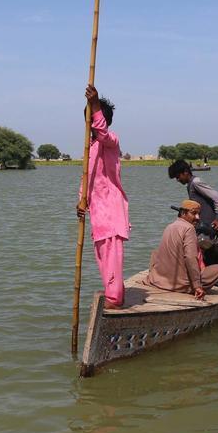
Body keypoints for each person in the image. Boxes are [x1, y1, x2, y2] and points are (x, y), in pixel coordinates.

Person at [76, 84, 129, 308]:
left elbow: (102, 131)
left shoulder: (110, 141)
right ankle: (114, 294)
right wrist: (82, 200)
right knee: (103, 259)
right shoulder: (91, 147)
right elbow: (87, 178)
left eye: (93, 119)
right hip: (99, 213)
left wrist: (96, 104)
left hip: (111, 211)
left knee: (111, 259)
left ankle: (114, 299)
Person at [145, 200, 218, 299]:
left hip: (159, 280)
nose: (197, 217)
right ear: (183, 213)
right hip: (180, 283)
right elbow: (190, 258)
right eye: (194, 213)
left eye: (198, 214)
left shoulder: (170, 226)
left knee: (155, 253)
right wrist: (197, 286)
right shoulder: (189, 228)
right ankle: (187, 288)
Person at [168, 159, 218, 263]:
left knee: (214, 255)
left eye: (178, 177)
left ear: (186, 172)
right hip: (205, 227)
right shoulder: (190, 185)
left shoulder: (196, 183)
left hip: (211, 226)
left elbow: (217, 198)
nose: (178, 180)